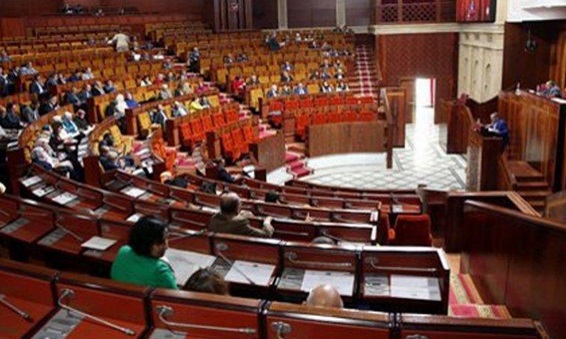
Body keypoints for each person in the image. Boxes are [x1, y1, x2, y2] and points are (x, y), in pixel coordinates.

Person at [111, 217, 178, 289]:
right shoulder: (160, 270)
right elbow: (177, 298)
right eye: (160, 243)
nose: (166, 246)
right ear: (145, 243)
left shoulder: (123, 251)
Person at [208, 192, 274, 238]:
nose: (241, 205)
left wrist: (239, 215)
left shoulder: (214, 219)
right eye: (240, 203)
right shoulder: (240, 223)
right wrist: (267, 222)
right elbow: (266, 235)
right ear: (236, 207)